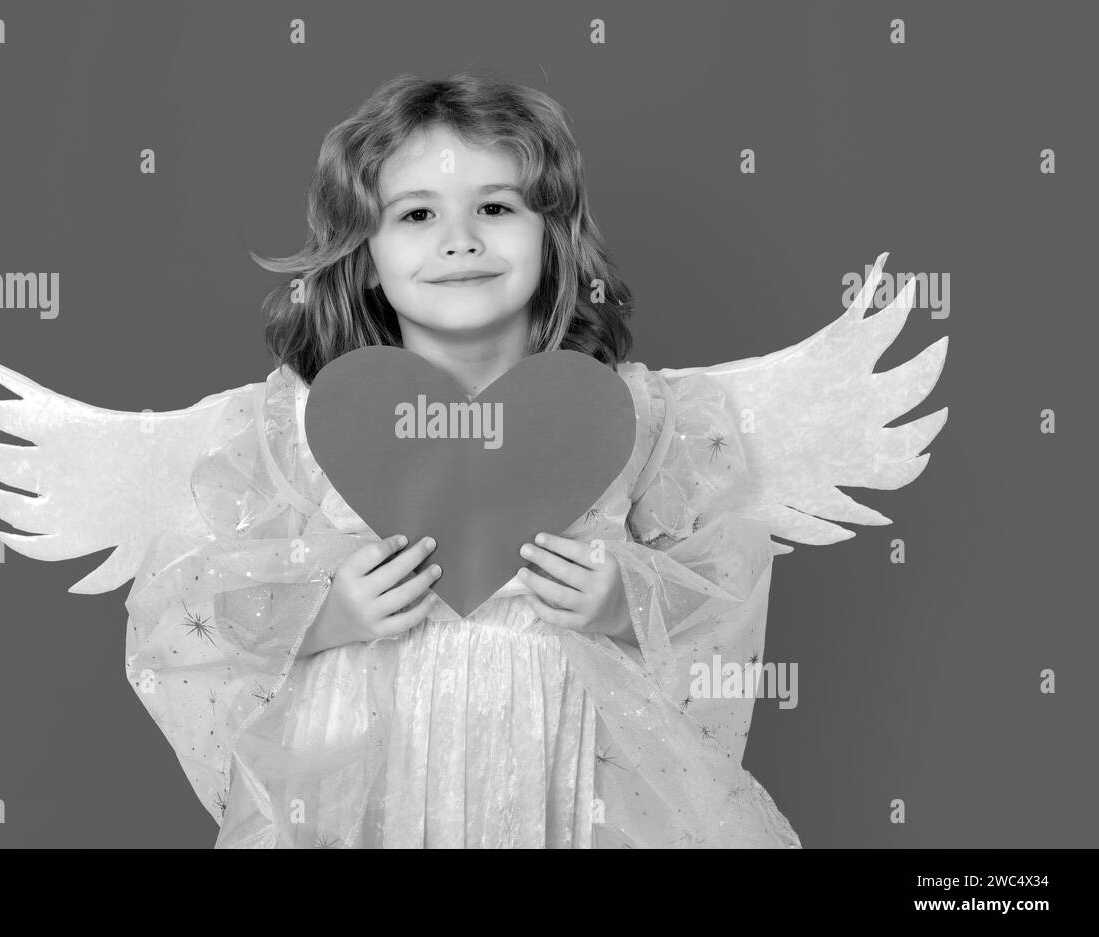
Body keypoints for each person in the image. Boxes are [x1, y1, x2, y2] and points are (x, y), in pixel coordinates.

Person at [123, 72, 801, 848]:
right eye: (416, 213)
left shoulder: (640, 420)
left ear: (551, 237)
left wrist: (627, 601)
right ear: (367, 255)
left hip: (572, 780)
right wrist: (322, 612)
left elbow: (726, 578)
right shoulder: (297, 425)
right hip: (363, 792)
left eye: (496, 207)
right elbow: (186, 608)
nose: (461, 239)